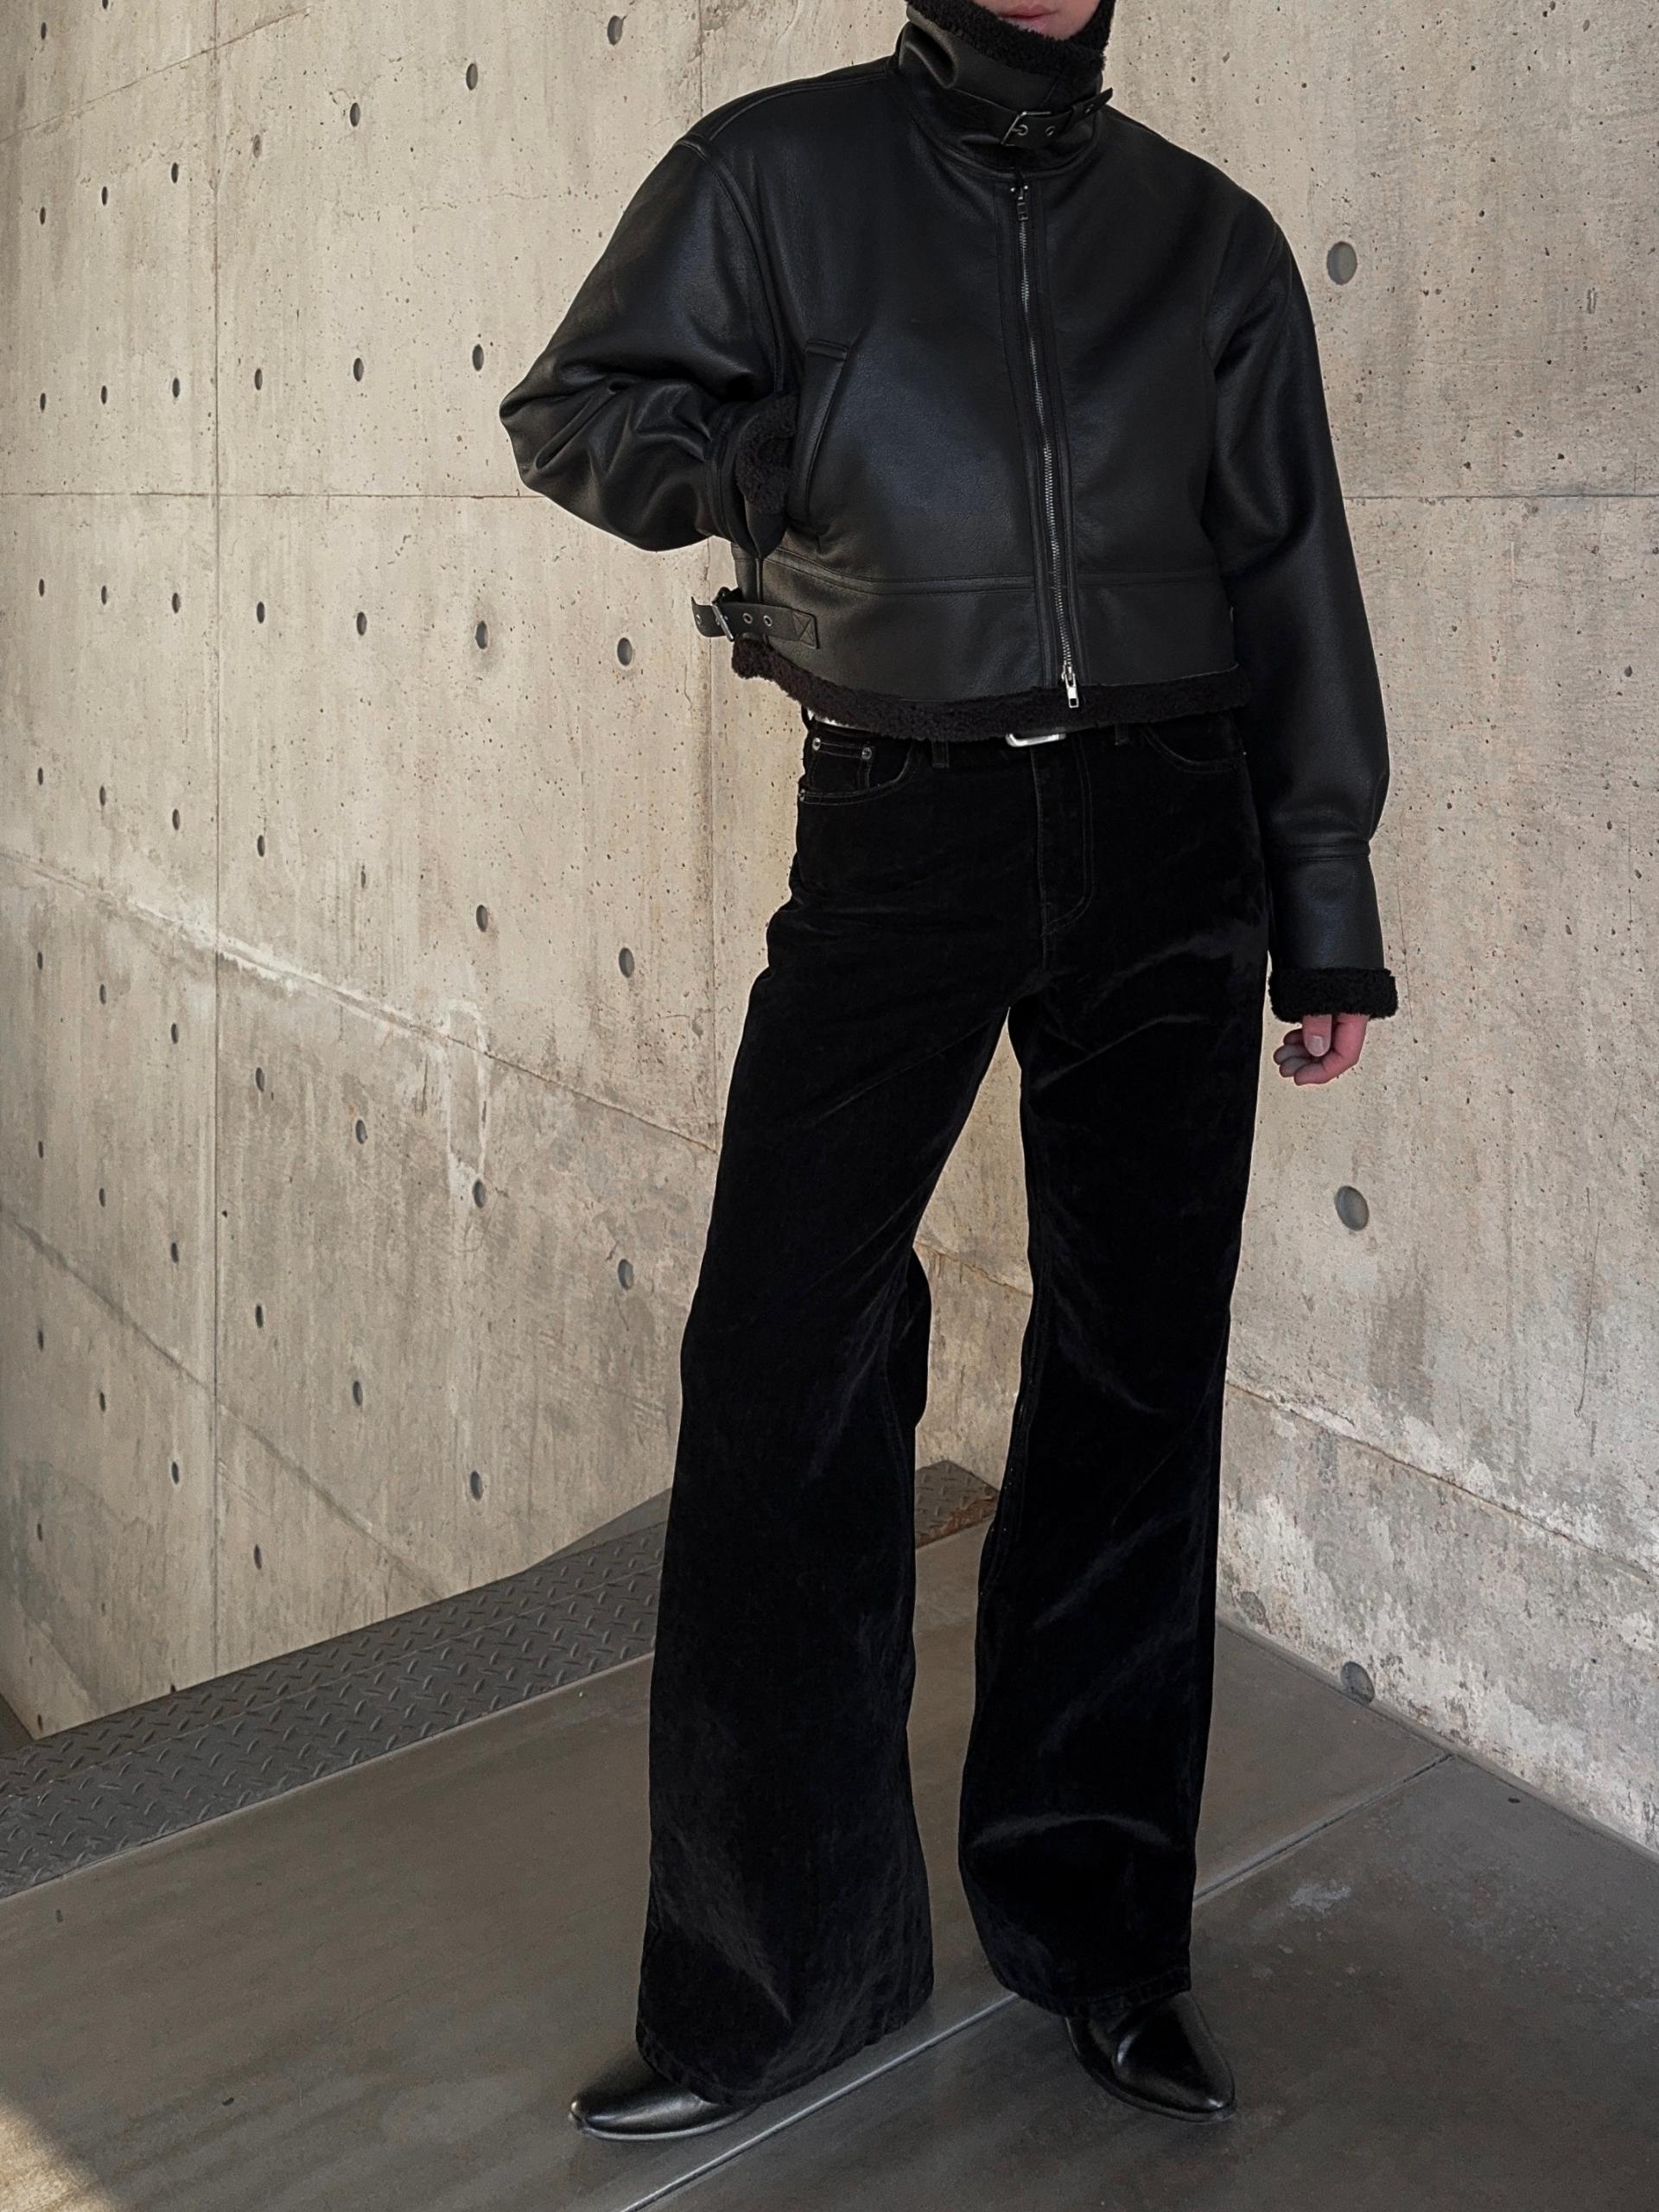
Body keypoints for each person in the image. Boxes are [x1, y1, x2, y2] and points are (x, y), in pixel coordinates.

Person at [499, 0, 1400, 2145]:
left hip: (1171, 830)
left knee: (1135, 1373)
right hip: (901, 818)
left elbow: (1289, 568)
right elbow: (576, 411)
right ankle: (778, 1973)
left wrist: (1324, 895)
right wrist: (768, 460)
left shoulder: (1208, 237)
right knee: (781, 1354)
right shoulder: (775, 175)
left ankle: (1101, 1931)